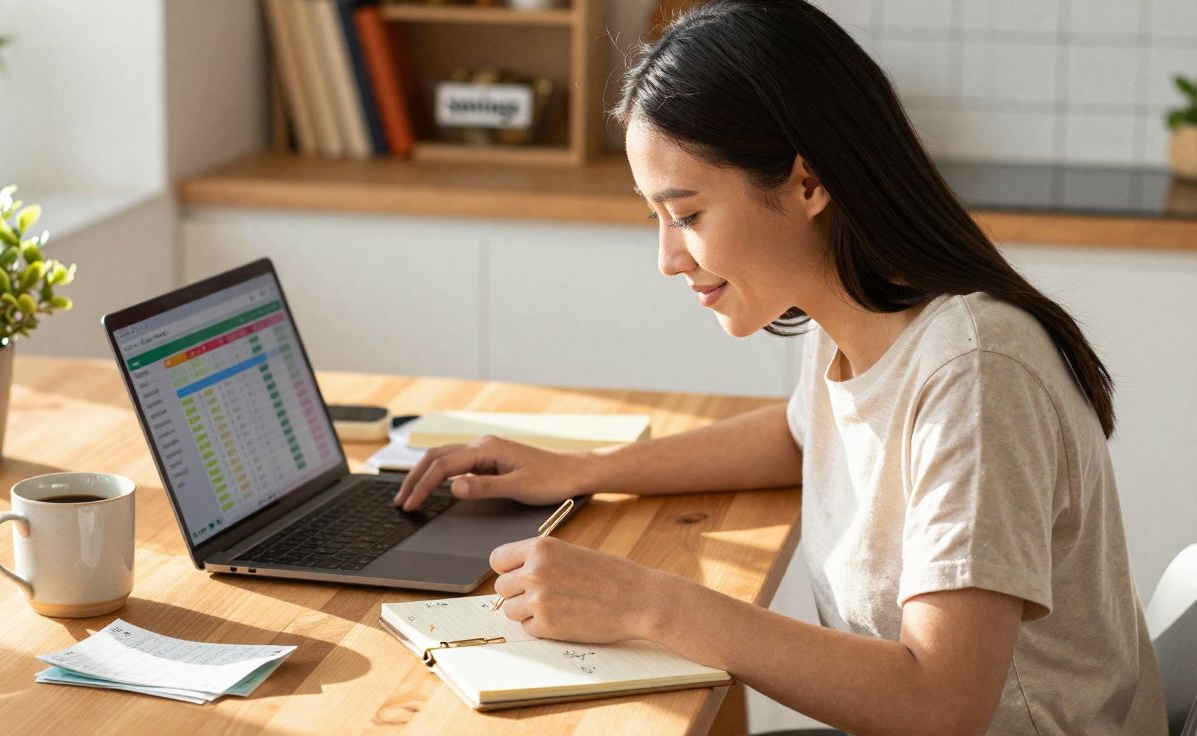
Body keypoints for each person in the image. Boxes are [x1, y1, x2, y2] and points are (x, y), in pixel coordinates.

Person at [392, 1, 1167, 733]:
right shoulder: (846, 316)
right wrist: (578, 469)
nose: (667, 259)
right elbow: (805, 438)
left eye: (688, 215)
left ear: (806, 182)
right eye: (655, 217)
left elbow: (943, 705)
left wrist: (651, 604)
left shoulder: (975, 369)